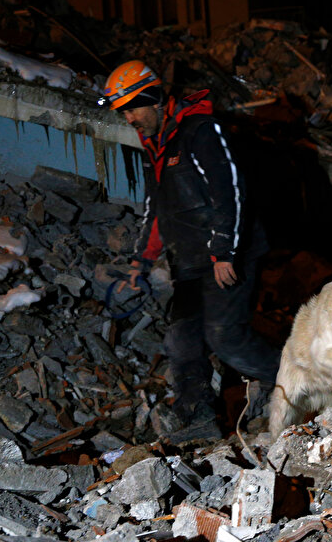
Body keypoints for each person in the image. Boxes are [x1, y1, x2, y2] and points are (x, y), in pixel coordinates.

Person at [101, 59, 280, 427]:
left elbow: (229, 192)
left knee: (225, 337)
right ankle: (197, 421)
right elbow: (156, 210)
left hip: (228, 254)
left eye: (133, 108)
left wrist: (224, 252)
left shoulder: (200, 131)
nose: (130, 119)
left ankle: (298, 380)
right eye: (124, 112)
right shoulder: (157, 147)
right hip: (190, 262)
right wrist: (141, 262)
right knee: (181, 342)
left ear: (153, 100)